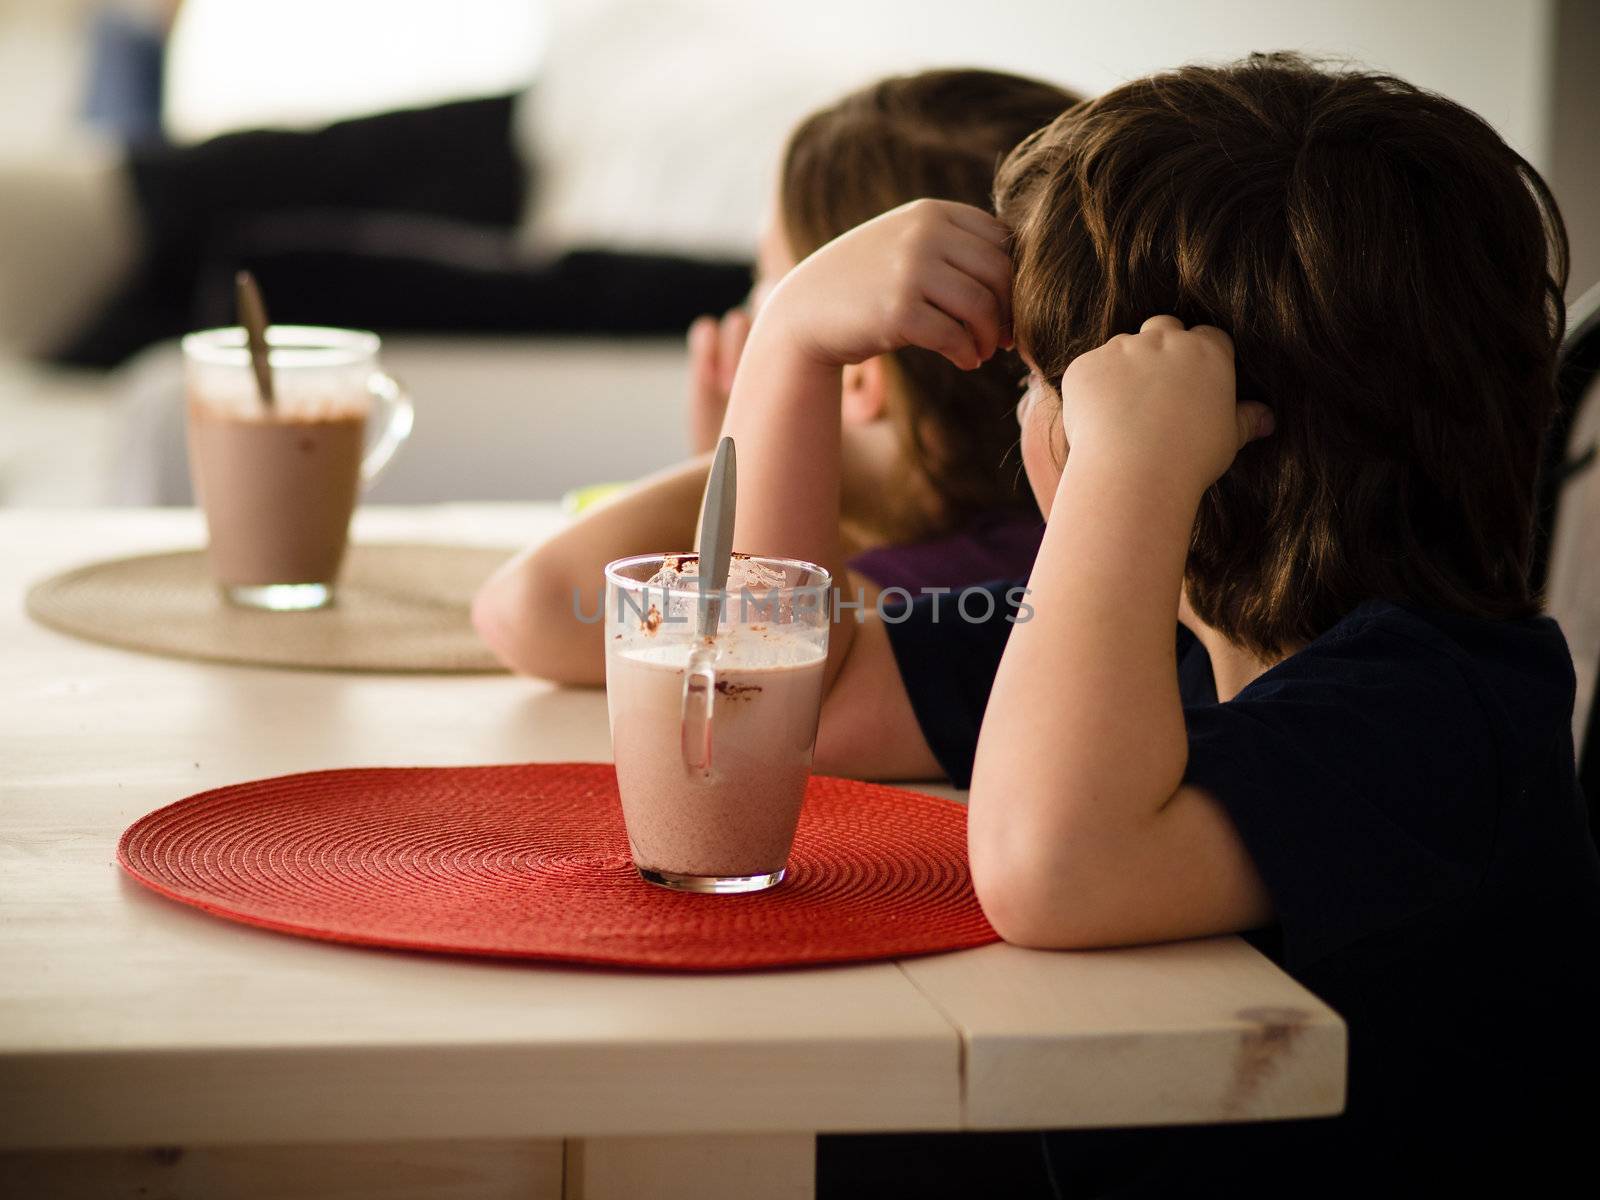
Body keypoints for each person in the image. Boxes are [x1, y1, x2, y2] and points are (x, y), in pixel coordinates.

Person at [718, 52, 1600, 1195]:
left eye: (1040, 386)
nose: (1023, 422)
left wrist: (1124, 477)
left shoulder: (1439, 715)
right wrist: (790, 348)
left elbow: (1052, 868)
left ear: (1184, 441)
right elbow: (792, 702)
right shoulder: (1163, 647)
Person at [472, 69, 1078, 686]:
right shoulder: (1028, 546)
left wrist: (750, 442)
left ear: (860, 376)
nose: (745, 320)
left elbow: (532, 609)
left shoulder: (953, 585)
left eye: (772, 292)